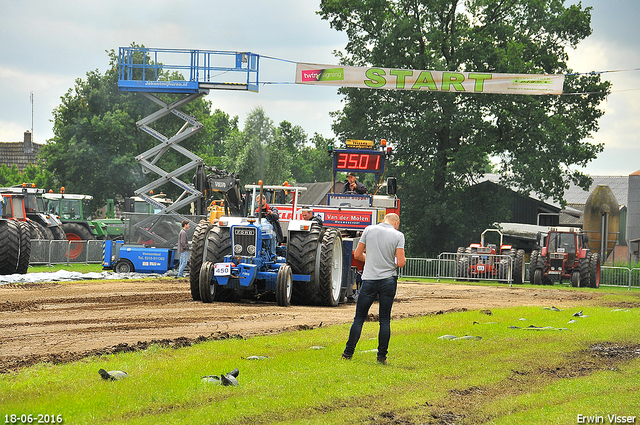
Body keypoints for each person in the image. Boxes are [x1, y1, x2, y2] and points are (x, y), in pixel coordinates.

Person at [342, 213, 405, 365]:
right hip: (388, 280)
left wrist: (370, 259)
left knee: (359, 318)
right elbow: (401, 262)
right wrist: (392, 262)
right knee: (384, 320)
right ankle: (381, 356)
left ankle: (348, 353)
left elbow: (357, 254)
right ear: (396, 222)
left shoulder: (368, 230)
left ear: (384, 220)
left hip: (369, 279)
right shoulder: (398, 235)